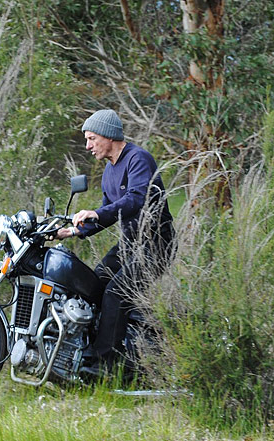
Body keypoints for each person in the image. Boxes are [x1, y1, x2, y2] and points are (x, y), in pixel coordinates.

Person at [55, 109, 176, 377]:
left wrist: (97, 213)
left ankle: (104, 364)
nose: (88, 146)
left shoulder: (138, 159)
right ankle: (89, 344)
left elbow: (136, 199)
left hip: (157, 243)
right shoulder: (110, 171)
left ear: (109, 136)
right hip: (131, 242)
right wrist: (72, 232)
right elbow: (109, 212)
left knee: (117, 293)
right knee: (94, 285)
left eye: (91, 138)